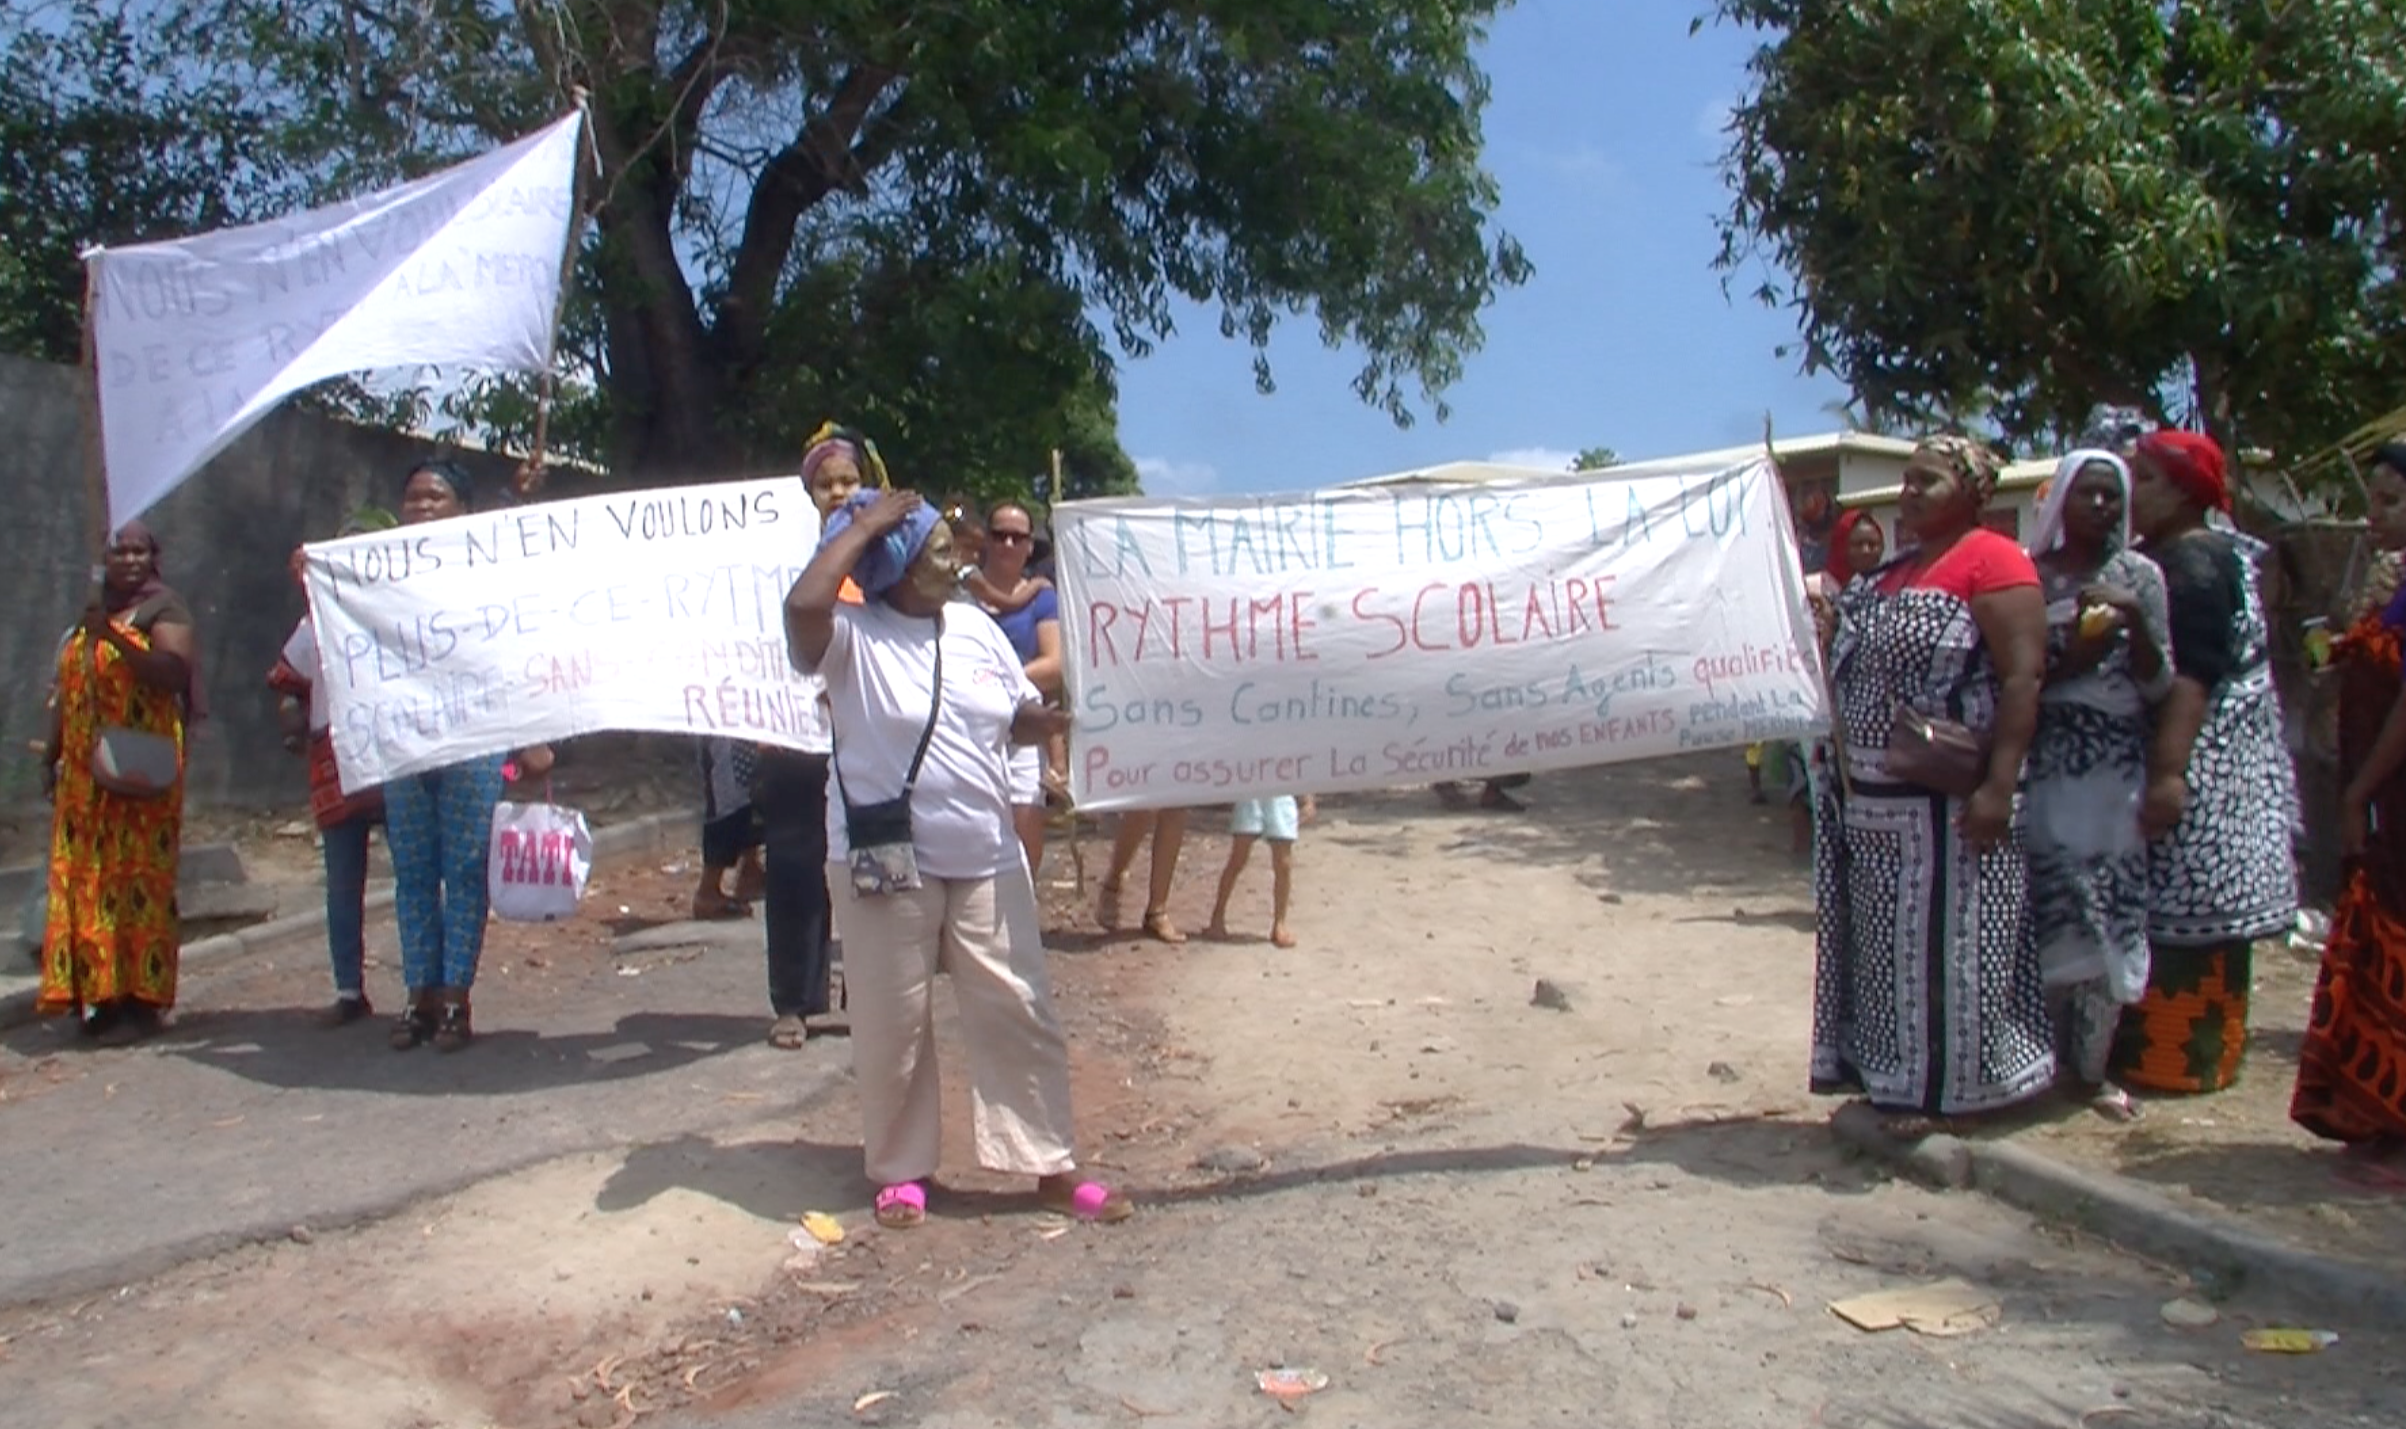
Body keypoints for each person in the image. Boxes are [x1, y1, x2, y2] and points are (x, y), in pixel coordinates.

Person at [785, 485, 1131, 1229]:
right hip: (884, 860)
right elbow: (801, 607)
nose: (961, 559)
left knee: (1020, 1008)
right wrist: (867, 523)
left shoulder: (974, 628)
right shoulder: (851, 634)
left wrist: (1043, 726)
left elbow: (1008, 722)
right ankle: (902, 1169)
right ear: (900, 569)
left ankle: (1049, 1163)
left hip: (984, 852)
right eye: (942, 550)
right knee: (895, 1019)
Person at [1812, 436, 2055, 1123]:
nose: (1911, 491)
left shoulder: (1994, 560)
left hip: (1945, 810)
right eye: (1907, 480)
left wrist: (1999, 788)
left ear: (1972, 492)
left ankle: (1956, 1092)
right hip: (1875, 809)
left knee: (1949, 948)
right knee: (1887, 951)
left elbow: (2022, 677)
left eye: (1930, 480)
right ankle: (1897, 1081)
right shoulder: (1893, 573)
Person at [2114, 430, 2299, 1094]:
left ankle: (2171, 1060)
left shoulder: (2192, 563)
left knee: (2182, 924)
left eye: (2152, 482)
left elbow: (2190, 678)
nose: (2137, 495)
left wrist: (2168, 774)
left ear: (2189, 492)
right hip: (2227, 771)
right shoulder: (2214, 555)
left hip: (2200, 768)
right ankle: (2194, 1056)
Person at [2021, 451, 2170, 1120]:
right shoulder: (2035, 578)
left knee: (2110, 908)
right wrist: (2074, 653)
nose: (2103, 508)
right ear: (2061, 504)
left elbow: (2160, 683)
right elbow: (2018, 682)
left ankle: (2092, 1067)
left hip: (2117, 765)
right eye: (2090, 495)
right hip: (2052, 759)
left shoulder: (2142, 576)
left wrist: (2136, 620)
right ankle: (2039, 1058)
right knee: (2056, 906)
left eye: (2114, 496)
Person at [384, 460, 552, 1053]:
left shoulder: (486, 572)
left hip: (475, 739)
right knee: (411, 873)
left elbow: (513, 643)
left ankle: (456, 998)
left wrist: (531, 732)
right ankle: (417, 995)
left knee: (463, 870)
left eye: (437, 496)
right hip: (403, 741)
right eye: (414, 496)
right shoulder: (377, 572)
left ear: (462, 509)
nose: (423, 506)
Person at [36, 520, 207, 1044]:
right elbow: (69, 694)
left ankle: (140, 1001)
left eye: (139, 551)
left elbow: (170, 672)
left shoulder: (164, 609)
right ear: (103, 560)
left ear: (154, 558)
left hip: (140, 775)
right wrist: (52, 753)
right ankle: (100, 998)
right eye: (120, 551)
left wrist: (114, 639)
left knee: (136, 884)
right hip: (86, 783)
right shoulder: (88, 618)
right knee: (89, 883)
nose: (130, 560)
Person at [2293, 442, 2406, 1161]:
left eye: (2392, 500)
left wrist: (2360, 789)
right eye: (2376, 500)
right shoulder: (2390, 583)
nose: (2375, 516)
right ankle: (2375, 1112)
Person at [750, 423, 879, 1048]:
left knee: (871, 864)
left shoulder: (887, 556)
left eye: (848, 481)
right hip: (792, 733)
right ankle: (795, 1003)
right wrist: (758, 715)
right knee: (796, 865)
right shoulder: (773, 558)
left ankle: (869, 992)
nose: (837, 492)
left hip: (865, 735)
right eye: (824, 484)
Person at [269, 508, 399, 1026]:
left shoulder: (402, 614)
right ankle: (349, 990)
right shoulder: (314, 622)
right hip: (337, 759)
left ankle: (426, 987)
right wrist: (292, 724)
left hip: (394, 753)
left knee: (414, 875)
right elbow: (288, 683)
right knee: (344, 881)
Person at [970, 501, 1065, 873]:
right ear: (986, 541)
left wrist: (987, 681)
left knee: (1026, 832)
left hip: (1022, 731)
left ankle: (1021, 918)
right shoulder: (958, 593)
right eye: (1000, 535)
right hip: (969, 731)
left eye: (1017, 537)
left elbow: (1054, 666)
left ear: (1029, 545)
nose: (1008, 543)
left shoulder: (1043, 599)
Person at [1205, 795, 1317, 947]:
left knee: (1283, 864)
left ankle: (1280, 923)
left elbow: (1301, 771)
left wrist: (1308, 799)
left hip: (1281, 795)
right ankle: (1217, 917)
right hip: (1251, 794)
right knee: (1238, 859)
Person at [692, 738, 764, 920]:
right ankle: (708, 891)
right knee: (727, 805)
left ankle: (750, 872)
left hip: (742, 725)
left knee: (753, 792)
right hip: (721, 728)